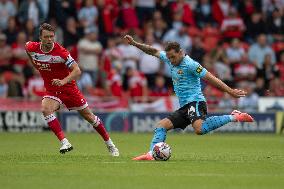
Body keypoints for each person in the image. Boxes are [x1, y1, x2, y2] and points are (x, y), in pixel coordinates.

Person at [123, 35, 254, 161]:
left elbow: (210, 78)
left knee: (199, 129)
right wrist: (135, 44)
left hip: (196, 102)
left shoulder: (191, 64)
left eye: (173, 57)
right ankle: (151, 154)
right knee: (161, 126)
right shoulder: (169, 58)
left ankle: (234, 116)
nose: (171, 61)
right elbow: (153, 51)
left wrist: (230, 91)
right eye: (169, 58)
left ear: (180, 52)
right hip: (184, 106)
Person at [25, 23, 119, 156]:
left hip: (69, 89)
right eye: (46, 37)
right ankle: (64, 142)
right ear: (40, 37)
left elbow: (77, 70)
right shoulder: (31, 47)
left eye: (52, 36)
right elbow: (27, 49)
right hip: (52, 90)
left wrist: (63, 81)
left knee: (90, 117)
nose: (50, 39)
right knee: (45, 109)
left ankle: (110, 144)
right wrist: (35, 64)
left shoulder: (61, 52)